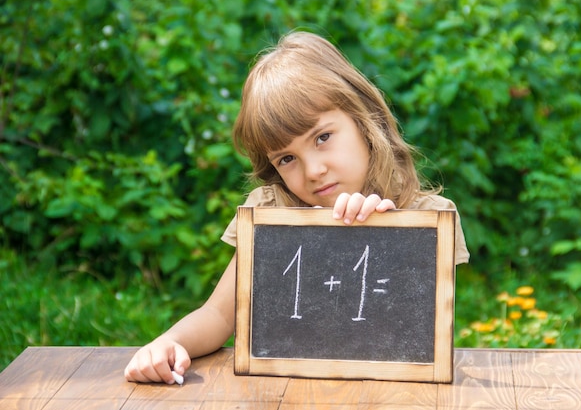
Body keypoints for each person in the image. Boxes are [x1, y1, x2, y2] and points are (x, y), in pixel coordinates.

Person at [124, 30, 470, 384]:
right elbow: (219, 315)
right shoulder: (274, 214)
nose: (313, 171)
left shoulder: (428, 217)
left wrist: (386, 236)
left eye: (322, 138)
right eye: (287, 158)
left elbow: (418, 335)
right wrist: (169, 342)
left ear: (363, 119)